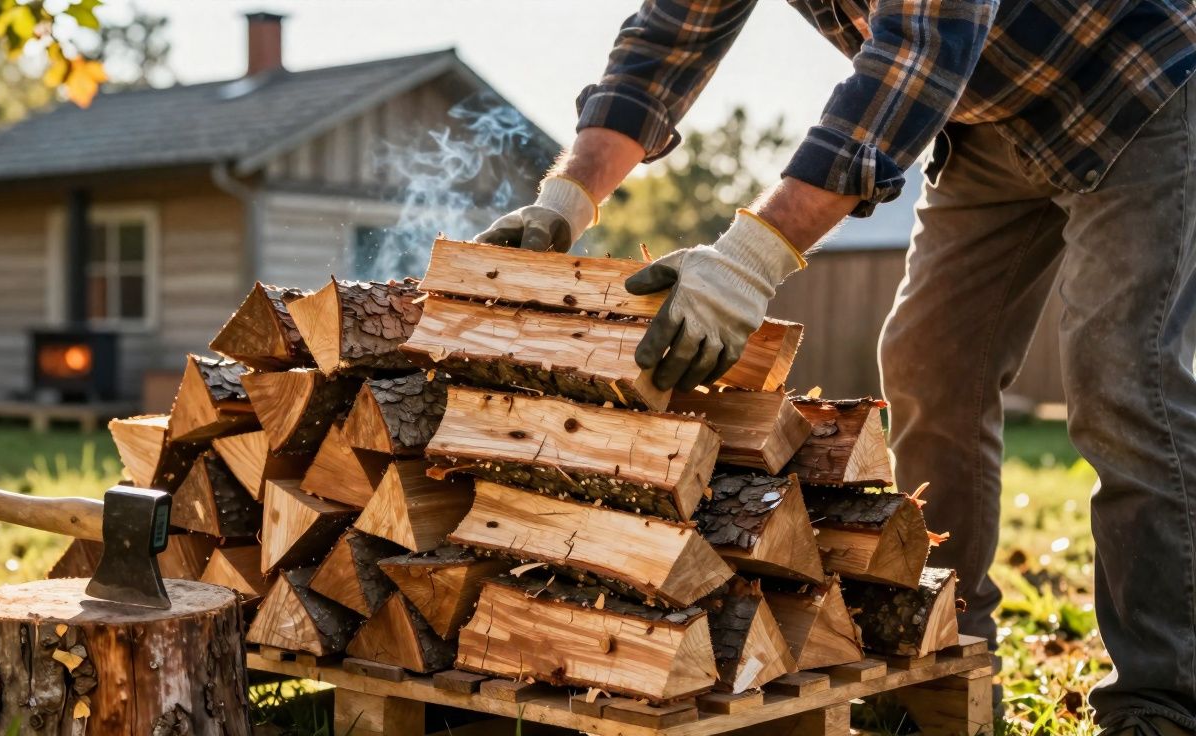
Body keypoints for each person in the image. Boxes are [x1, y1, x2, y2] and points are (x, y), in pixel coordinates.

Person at [475, 1, 1196, 732]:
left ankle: (1162, 701)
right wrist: (567, 198)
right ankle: (945, 657)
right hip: (988, 125)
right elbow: (668, 39)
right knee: (930, 366)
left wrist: (749, 259)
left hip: (1133, 84)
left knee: (1122, 379)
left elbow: (920, 52)